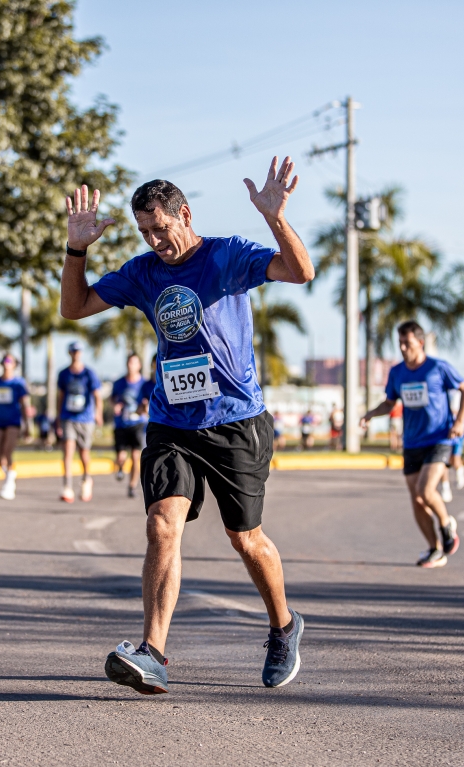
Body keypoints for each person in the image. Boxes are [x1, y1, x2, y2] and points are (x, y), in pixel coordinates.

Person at [60, 160, 312, 693]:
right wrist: (76, 250)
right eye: (144, 232)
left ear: (185, 215)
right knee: (162, 524)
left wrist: (275, 219)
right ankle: (152, 653)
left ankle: (284, 626)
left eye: (160, 228)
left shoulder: (226, 256)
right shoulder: (142, 273)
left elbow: (299, 272)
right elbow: (74, 307)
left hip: (235, 421)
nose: (155, 241)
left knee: (246, 540)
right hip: (171, 421)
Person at [362, 321, 464, 568]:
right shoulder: (397, 372)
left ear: (420, 343)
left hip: (439, 438)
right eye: (400, 343)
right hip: (412, 442)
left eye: (407, 343)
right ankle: (435, 549)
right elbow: (389, 403)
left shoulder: (438, 367)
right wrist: (370, 414)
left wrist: (461, 420)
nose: (402, 348)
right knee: (417, 500)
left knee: (425, 490)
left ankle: (446, 524)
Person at [57, 341, 103, 503]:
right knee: (68, 451)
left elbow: (97, 395)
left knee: (84, 452)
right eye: (73, 351)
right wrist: (58, 417)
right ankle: (67, 486)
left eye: (78, 351)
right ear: (69, 353)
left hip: (85, 418)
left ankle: (86, 480)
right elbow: (60, 396)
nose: (76, 354)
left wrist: (98, 413)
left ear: (81, 353)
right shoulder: (63, 374)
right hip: (68, 417)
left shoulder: (89, 373)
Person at [0, 353, 31, 500]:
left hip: (13, 421)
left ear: (14, 364)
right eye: (5, 360)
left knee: (7, 451)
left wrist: (28, 425)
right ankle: (9, 475)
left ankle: (9, 484)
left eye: (10, 360)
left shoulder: (18, 383)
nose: (7, 363)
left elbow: (24, 404)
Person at [111, 353, 149, 499]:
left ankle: (132, 486)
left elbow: (148, 402)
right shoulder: (119, 383)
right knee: (121, 456)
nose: (130, 365)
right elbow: (113, 399)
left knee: (135, 456)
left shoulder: (144, 384)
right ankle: (120, 466)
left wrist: (144, 407)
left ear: (139, 365)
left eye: (133, 362)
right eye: (129, 362)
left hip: (138, 424)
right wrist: (116, 405)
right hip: (121, 424)